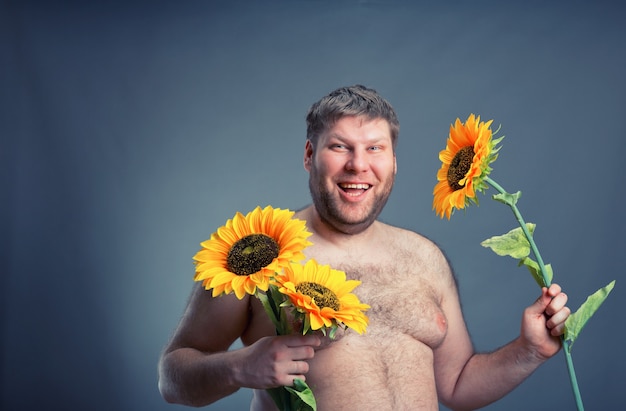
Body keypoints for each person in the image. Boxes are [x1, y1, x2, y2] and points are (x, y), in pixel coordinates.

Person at [158, 85, 570, 410]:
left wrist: (528, 350)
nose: (359, 164)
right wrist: (239, 367)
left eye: (375, 148)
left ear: (393, 162)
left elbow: (458, 386)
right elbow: (172, 378)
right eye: (340, 146)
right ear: (309, 155)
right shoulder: (256, 254)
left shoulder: (425, 257)